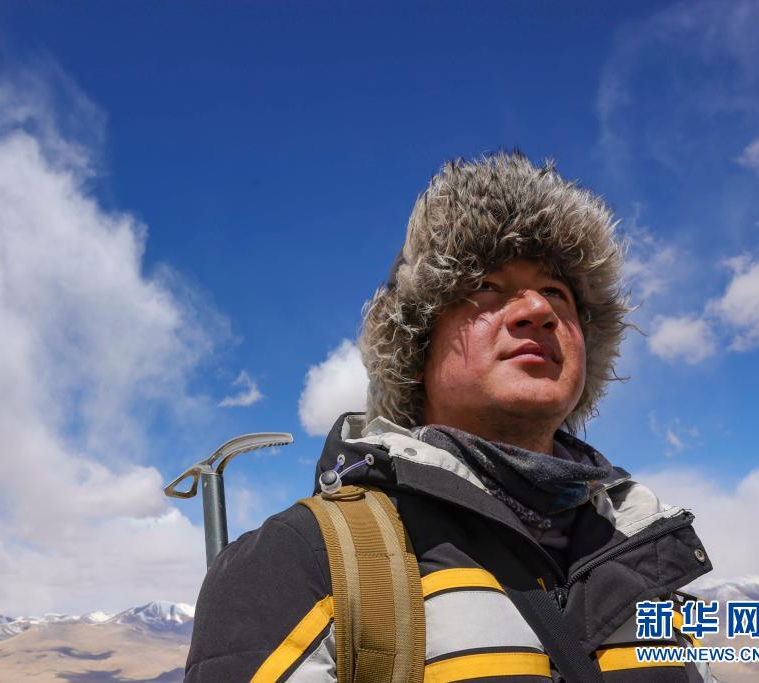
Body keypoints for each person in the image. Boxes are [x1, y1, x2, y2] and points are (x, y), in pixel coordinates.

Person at [185, 152, 715, 682]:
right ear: (416, 351)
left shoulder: (647, 550)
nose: (539, 310)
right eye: (486, 287)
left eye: (557, 292)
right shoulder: (298, 560)